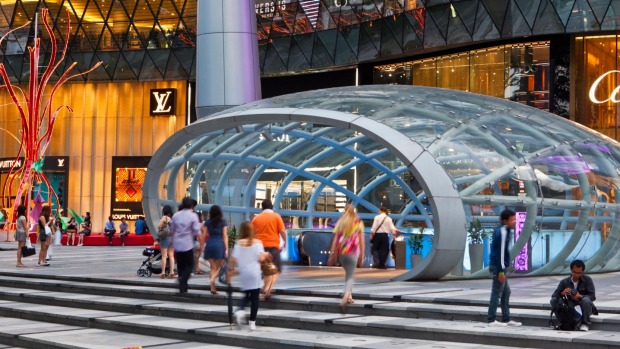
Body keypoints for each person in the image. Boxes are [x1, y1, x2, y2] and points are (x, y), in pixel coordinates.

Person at [230, 221, 272, 331]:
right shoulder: (257, 242)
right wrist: (266, 254)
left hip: (244, 273)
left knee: (246, 295)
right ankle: (252, 322)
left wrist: (230, 270)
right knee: (254, 298)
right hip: (254, 272)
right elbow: (261, 259)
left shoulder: (238, 243)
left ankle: (239, 311)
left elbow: (233, 259)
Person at [487, 209, 521, 327]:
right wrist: (501, 270)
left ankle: (506, 319)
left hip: (499, 266)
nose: (515, 221)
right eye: (512, 219)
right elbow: (500, 253)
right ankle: (491, 319)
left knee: (506, 292)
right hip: (498, 267)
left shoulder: (504, 230)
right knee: (496, 293)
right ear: (504, 221)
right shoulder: (502, 232)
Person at [328, 204, 365, 312]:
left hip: (342, 252)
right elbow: (361, 240)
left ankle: (349, 296)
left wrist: (332, 254)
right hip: (353, 251)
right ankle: (345, 298)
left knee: (349, 273)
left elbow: (335, 240)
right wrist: (362, 255)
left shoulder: (340, 222)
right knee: (350, 275)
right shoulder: (358, 222)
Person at [252, 199, 286, 300]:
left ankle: (266, 288)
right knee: (276, 269)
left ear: (262, 207)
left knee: (267, 270)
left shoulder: (256, 218)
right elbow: (282, 231)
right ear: (271, 207)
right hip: (273, 247)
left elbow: (252, 233)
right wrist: (285, 241)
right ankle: (267, 289)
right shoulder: (276, 216)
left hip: (260, 248)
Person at [551, 259, 597, 331]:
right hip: (570, 308)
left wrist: (580, 296)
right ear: (571, 270)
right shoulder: (564, 282)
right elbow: (554, 295)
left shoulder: (587, 280)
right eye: (574, 272)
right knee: (554, 300)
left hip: (583, 307)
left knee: (586, 300)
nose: (576, 275)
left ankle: (585, 323)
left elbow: (592, 296)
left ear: (582, 272)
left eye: (579, 273)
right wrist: (562, 293)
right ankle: (563, 322)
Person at [170, 197, 201, 294]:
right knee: (190, 265)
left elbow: (172, 230)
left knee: (180, 266)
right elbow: (196, 230)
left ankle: (183, 287)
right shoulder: (193, 216)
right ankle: (183, 281)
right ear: (191, 206)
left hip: (178, 244)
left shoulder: (176, 215)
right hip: (187, 244)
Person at [204, 205, 228, 294]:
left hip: (209, 243)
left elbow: (204, 235)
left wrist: (203, 245)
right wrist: (226, 248)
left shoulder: (207, 222)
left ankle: (212, 288)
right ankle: (213, 279)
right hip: (219, 244)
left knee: (213, 267)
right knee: (220, 267)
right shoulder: (223, 222)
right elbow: (225, 235)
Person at [158, 206, 175, 279]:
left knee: (164, 255)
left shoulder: (164, 217)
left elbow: (159, 226)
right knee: (171, 255)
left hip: (165, 238)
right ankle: (172, 272)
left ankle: (163, 272)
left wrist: (161, 226)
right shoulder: (173, 218)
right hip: (172, 238)